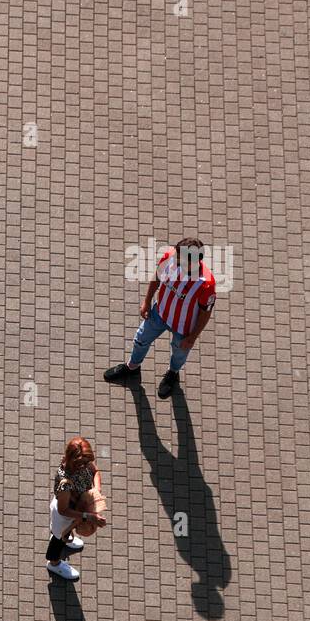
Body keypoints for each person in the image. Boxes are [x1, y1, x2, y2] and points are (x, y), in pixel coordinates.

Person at [104, 237, 217, 399]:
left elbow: (205, 313)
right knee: (141, 338)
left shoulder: (206, 285)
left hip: (183, 328)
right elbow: (157, 277)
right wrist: (147, 301)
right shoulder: (170, 256)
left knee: (179, 352)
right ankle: (132, 368)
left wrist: (192, 337)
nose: (176, 261)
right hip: (159, 313)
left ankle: (173, 374)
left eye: (180, 260)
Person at [45, 437, 108, 582]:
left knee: (65, 533)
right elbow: (63, 510)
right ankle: (54, 563)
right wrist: (88, 516)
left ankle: (66, 539)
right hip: (66, 514)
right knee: (58, 539)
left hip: (77, 507)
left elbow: (95, 471)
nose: (87, 466)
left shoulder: (81, 463)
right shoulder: (65, 483)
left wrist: (96, 489)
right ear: (75, 462)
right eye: (84, 464)